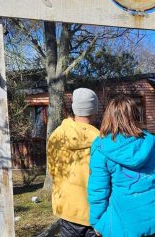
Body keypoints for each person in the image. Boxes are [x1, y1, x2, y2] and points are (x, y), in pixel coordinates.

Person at [88, 95, 155, 237]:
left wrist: (97, 221)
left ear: (109, 117)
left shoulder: (101, 147)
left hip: (124, 223)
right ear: (137, 115)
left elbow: (98, 190)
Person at [47, 88, 100, 237]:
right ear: (94, 109)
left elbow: (53, 170)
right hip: (93, 211)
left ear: (74, 108)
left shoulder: (57, 136)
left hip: (67, 207)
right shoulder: (99, 139)